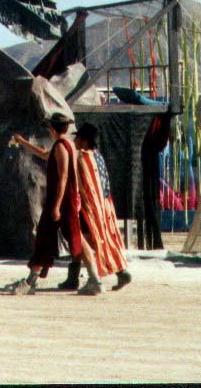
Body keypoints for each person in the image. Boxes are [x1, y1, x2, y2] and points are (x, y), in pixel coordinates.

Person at [4, 113, 99, 295]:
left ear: (53, 129)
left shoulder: (62, 147)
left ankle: (30, 282)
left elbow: (63, 177)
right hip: (65, 201)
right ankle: (94, 279)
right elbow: (44, 154)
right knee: (70, 238)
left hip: (61, 202)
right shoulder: (66, 145)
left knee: (48, 238)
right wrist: (23, 142)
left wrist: (56, 206)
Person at [73, 124, 132, 292]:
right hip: (105, 205)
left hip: (92, 207)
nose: (75, 141)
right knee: (102, 238)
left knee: (87, 239)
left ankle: (93, 278)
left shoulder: (83, 157)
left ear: (84, 141)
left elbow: (84, 186)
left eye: (77, 138)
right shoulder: (98, 156)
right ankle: (119, 272)